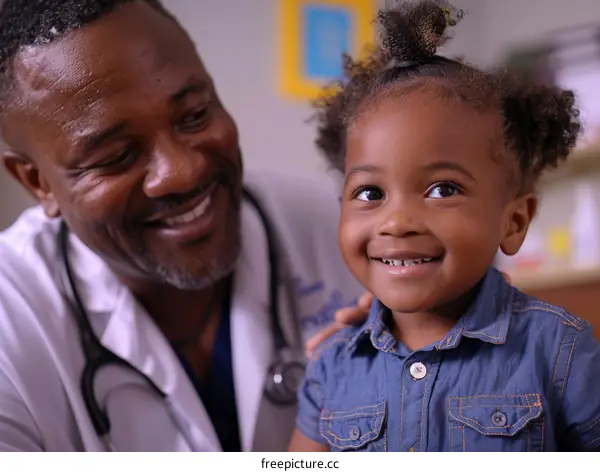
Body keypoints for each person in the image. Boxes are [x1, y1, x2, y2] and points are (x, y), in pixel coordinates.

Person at [0, 0, 374, 452]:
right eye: (117, 156)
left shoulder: (336, 223)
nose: (182, 170)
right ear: (37, 182)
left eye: (194, 115)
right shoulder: (12, 322)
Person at [288, 0, 600, 452]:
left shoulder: (561, 352)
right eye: (370, 194)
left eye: (442, 190)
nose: (396, 221)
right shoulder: (331, 367)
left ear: (513, 222)